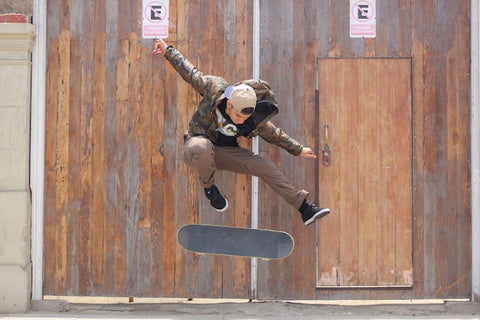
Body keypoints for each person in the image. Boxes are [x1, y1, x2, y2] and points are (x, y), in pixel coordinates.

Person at [153, 38, 330, 226]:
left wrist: (299, 149)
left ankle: (305, 208)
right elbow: (190, 73)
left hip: (225, 153)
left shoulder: (253, 119)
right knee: (202, 146)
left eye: (246, 117)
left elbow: (275, 134)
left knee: (265, 167)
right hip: (195, 147)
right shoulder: (214, 88)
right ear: (229, 104)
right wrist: (167, 51)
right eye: (238, 116)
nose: (242, 120)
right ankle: (209, 189)